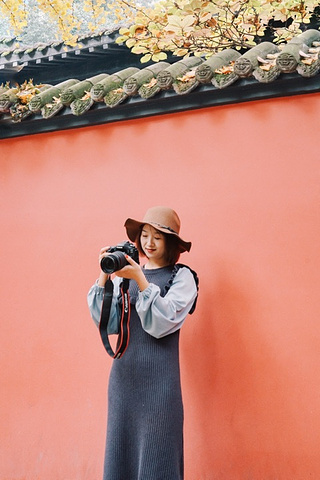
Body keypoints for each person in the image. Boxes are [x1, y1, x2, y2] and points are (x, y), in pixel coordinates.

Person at [87, 206, 198, 480]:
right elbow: (109, 324)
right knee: (120, 459)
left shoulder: (182, 278)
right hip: (124, 383)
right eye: (145, 235)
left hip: (160, 388)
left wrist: (139, 278)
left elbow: (161, 324)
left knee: (157, 462)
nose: (148, 243)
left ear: (171, 243)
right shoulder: (127, 275)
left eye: (157, 238)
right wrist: (106, 274)